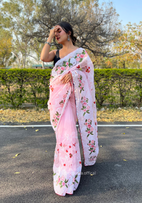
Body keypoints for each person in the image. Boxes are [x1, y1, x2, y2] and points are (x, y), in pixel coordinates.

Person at [40, 21, 99, 196]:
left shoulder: (80, 54)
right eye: (54, 32)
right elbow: (43, 58)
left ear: (69, 32)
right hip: (59, 101)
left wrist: (74, 75)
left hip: (74, 100)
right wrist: (49, 36)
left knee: (71, 134)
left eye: (59, 31)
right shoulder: (56, 53)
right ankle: (64, 168)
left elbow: (87, 73)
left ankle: (71, 171)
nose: (56, 34)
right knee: (63, 136)